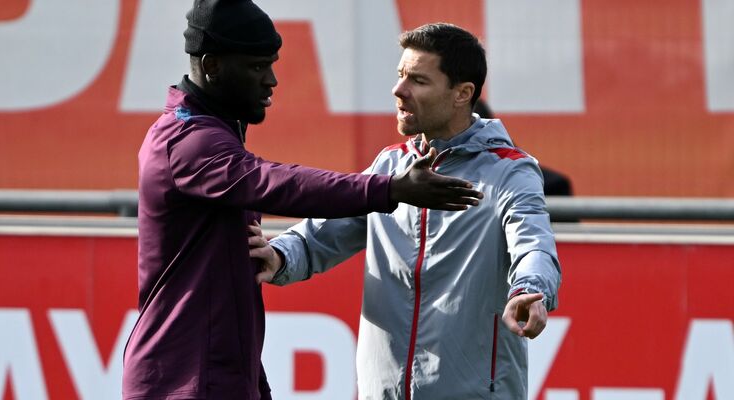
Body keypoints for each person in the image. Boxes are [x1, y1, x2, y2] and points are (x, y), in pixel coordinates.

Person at [121, 2, 482, 399]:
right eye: (258, 66)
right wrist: (389, 189)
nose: (271, 80)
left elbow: (219, 302)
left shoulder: (209, 133)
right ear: (213, 66)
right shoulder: (188, 141)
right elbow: (277, 183)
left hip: (207, 375)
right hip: (183, 382)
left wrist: (254, 384)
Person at [252, 23, 562, 399]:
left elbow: (534, 244)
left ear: (462, 94)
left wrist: (531, 289)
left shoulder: (510, 170)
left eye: (418, 80)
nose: (398, 91)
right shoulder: (389, 165)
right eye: (400, 76)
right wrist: (279, 254)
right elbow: (322, 234)